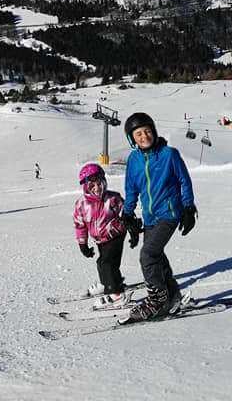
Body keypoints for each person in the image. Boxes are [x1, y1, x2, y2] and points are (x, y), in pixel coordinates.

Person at [121, 112, 196, 321]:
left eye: (147, 131)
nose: (144, 136)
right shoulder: (133, 160)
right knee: (158, 257)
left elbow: (184, 181)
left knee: (148, 255)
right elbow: (131, 190)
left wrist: (188, 208)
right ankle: (172, 295)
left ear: (153, 131)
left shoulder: (169, 154)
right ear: (132, 139)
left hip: (170, 213)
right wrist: (127, 214)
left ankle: (157, 300)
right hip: (150, 217)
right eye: (138, 134)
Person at [73, 163, 140, 308]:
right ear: (85, 187)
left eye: (99, 184)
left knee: (107, 263)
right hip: (99, 240)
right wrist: (82, 244)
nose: (97, 188)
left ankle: (115, 294)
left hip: (115, 235)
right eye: (92, 186)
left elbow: (127, 216)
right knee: (103, 263)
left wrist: (133, 231)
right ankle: (108, 283)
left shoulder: (113, 199)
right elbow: (80, 225)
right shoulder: (81, 204)